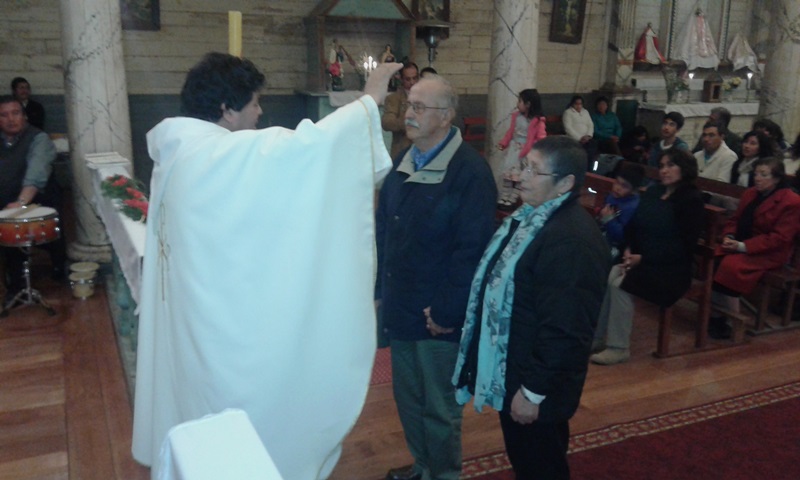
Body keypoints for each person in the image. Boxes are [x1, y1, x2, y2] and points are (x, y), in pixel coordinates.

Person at [131, 53, 403, 480]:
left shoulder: (181, 151)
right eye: (254, 103)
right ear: (226, 109)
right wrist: (369, 102)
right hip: (224, 348)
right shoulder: (217, 155)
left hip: (195, 325)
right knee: (240, 442)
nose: (259, 112)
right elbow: (308, 149)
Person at [453, 136, 609, 479]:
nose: (520, 176)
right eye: (524, 166)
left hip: (537, 382)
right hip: (517, 367)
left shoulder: (569, 239)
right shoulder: (531, 219)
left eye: (533, 171)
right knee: (530, 459)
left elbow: (566, 329)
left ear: (565, 184)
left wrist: (533, 392)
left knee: (540, 464)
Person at [376, 74, 497, 480]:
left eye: (418, 107)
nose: (408, 114)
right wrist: (380, 290)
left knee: (440, 408)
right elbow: (384, 230)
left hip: (436, 315)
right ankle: (423, 466)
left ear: (445, 117)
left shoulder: (469, 172)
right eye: (409, 105)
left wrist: (447, 310)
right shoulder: (403, 161)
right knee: (409, 400)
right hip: (402, 307)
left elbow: (471, 251)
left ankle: (443, 474)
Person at [591, 148, 705, 365]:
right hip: (641, 259)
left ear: (685, 168)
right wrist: (628, 249)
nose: (664, 170)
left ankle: (618, 347)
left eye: (671, 165)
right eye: (661, 166)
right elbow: (635, 226)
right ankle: (596, 338)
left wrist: (642, 258)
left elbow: (683, 246)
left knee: (620, 284)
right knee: (612, 273)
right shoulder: (654, 192)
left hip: (670, 270)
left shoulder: (691, 200)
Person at [709, 157, 800, 339]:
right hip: (742, 244)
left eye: (764, 175)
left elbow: (780, 238)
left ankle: (731, 322)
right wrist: (729, 236)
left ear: (776, 178)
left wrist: (743, 246)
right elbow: (735, 220)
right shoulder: (750, 193)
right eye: (756, 173)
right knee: (713, 258)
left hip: (768, 252)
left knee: (730, 266)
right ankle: (715, 315)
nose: (757, 178)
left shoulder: (792, 201)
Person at [0, 95, 65, 302]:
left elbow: (35, 175)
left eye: (15, 113)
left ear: (25, 116)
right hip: (8, 200)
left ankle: (59, 265)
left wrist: (20, 204)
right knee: (11, 245)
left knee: (51, 238)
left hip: (37, 198)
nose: (11, 119)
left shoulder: (39, 139)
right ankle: (16, 284)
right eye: (4, 115)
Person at [496, 88, 547, 207]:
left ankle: (513, 199)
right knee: (508, 175)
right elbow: (511, 132)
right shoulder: (516, 117)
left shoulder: (537, 121)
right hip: (514, 150)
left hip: (526, 153)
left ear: (528, 104)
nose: (517, 104)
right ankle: (504, 196)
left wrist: (535, 150)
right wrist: (504, 143)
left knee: (519, 177)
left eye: (520, 101)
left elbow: (541, 138)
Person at [597, 162, 645, 263]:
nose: (617, 188)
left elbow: (623, 237)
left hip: (616, 246)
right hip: (603, 234)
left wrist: (609, 220)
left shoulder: (632, 208)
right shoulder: (613, 196)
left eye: (624, 186)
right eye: (617, 182)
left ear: (634, 190)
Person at [382, 62, 420, 160]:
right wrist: (410, 122)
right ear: (401, 79)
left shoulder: (427, 96)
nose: (412, 82)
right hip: (402, 150)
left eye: (415, 78)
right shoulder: (393, 98)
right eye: (408, 79)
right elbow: (387, 123)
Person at [562, 95, 596, 164]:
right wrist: (580, 138)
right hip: (575, 139)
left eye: (580, 104)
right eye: (576, 104)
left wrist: (589, 135)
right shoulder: (568, 113)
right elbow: (568, 128)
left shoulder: (585, 112)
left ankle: (590, 166)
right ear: (572, 104)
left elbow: (590, 124)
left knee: (593, 146)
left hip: (587, 138)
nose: (578, 106)